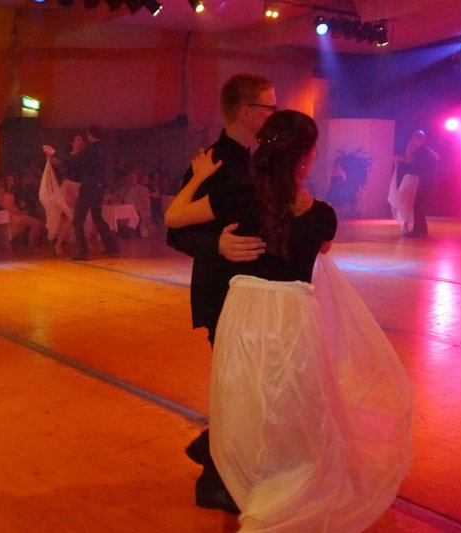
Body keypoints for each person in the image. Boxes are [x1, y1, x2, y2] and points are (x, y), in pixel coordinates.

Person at [165, 110, 413, 531]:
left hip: (244, 313)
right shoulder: (323, 216)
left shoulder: (237, 197)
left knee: (244, 405)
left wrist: (199, 177)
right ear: (308, 156)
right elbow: (322, 249)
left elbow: (174, 217)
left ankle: (247, 479)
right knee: (295, 403)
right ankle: (288, 481)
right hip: (295, 316)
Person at [166, 73, 274, 513]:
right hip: (222, 293)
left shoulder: (257, 160)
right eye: (269, 107)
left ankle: (212, 448)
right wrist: (217, 245)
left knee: (246, 386)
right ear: (247, 112)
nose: (275, 114)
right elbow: (174, 228)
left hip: (252, 293)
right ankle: (213, 479)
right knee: (237, 388)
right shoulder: (212, 161)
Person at [44, 124, 118, 261]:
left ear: (90, 134)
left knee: (78, 219)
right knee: (97, 217)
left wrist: (54, 152)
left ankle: (82, 252)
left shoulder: (90, 149)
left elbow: (73, 161)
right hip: (98, 187)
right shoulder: (103, 149)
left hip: (88, 187)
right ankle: (112, 247)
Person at [391, 130, 440, 237]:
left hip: (424, 181)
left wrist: (402, 161)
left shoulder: (424, 151)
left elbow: (417, 166)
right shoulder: (424, 151)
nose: (414, 141)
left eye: (417, 139)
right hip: (423, 180)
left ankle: (419, 230)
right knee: (418, 205)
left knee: (418, 205)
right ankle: (421, 229)